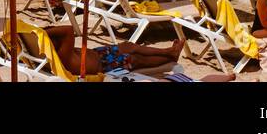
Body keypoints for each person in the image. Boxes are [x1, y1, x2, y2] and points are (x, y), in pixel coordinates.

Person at [43, 25, 184, 76]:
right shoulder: (62, 53)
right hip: (104, 66)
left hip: (99, 54)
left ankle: (168, 52)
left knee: (129, 46)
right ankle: (169, 58)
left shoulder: (59, 48)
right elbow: (68, 29)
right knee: (135, 59)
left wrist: (41, 32)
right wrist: (43, 32)